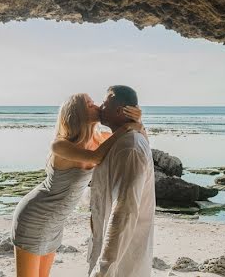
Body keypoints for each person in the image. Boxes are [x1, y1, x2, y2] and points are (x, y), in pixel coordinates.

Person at [12, 93, 143, 277]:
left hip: (56, 221)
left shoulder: (101, 139)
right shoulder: (59, 145)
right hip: (35, 216)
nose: (97, 106)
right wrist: (129, 127)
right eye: (90, 104)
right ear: (77, 113)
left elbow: (137, 143)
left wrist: (137, 122)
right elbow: (96, 157)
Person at [87, 85, 155, 277]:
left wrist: (104, 269)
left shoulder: (129, 148)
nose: (100, 107)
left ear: (119, 110)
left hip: (121, 264)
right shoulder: (120, 141)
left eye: (104, 103)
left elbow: (124, 211)